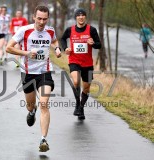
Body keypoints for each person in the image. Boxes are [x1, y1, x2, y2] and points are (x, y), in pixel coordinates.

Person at [6, 5, 61, 152]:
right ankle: (32, 111)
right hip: (28, 73)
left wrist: (56, 48)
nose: (42, 22)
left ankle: (43, 139)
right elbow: (8, 48)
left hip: (45, 72)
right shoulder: (24, 30)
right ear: (33, 17)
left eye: (44, 19)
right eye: (39, 18)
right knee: (31, 105)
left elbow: (54, 41)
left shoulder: (50, 30)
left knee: (44, 103)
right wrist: (26, 53)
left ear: (47, 18)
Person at [61, 8, 101, 120]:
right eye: (78, 15)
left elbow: (99, 45)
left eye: (83, 15)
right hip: (74, 60)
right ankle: (77, 104)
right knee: (75, 81)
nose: (81, 17)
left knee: (87, 88)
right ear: (76, 18)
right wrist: (66, 48)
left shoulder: (91, 30)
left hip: (87, 63)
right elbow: (63, 39)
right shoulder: (70, 30)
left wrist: (93, 43)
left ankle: (81, 108)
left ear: (85, 17)